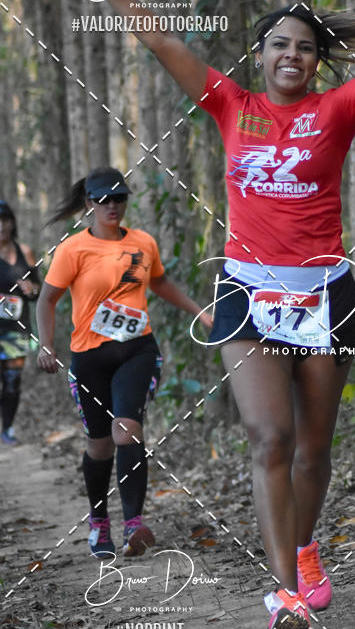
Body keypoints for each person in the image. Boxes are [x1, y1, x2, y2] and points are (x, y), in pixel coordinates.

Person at [52, 0, 355, 629]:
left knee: (314, 447)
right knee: (268, 435)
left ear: (318, 61)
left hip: (321, 292)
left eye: (306, 48)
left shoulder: (338, 110)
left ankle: (307, 549)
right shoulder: (231, 105)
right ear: (261, 55)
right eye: (280, 44)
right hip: (249, 291)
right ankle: (283, 592)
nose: (293, 55)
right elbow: (156, 35)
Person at [36, 166, 212, 558]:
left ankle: (134, 523)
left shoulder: (143, 243)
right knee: (99, 446)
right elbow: (47, 299)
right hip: (88, 358)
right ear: (89, 203)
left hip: (137, 351)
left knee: (127, 429)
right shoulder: (72, 249)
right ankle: (99, 521)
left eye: (118, 198)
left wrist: (199, 312)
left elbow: (160, 282)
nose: (112, 206)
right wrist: (46, 345)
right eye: (103, 199)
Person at [0, 200, 40, 444]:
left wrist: (31, 289)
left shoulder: (25, 252)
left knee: (12, 382)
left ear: (12, 222)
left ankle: (8, 429)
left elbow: (38, 292)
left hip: (16, 328)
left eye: (5, 220)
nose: (1, 225)